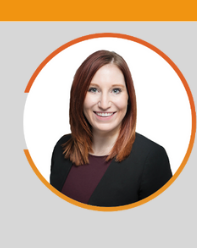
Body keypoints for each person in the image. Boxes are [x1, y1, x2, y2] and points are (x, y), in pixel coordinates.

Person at [49, 50, 172, 207]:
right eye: (93, 89)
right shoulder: (62, 149)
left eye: (116, 90)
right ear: (79, 96)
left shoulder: (152, 157)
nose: (104, 103)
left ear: (129, 97)